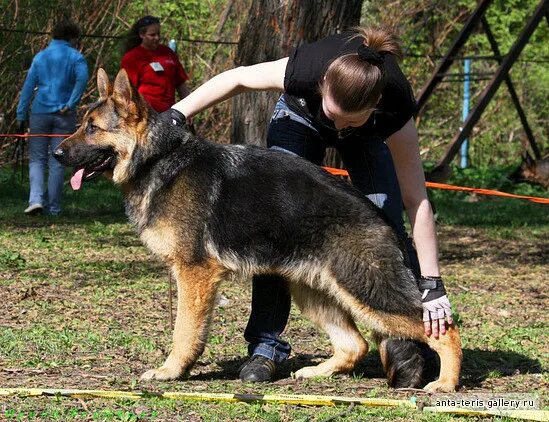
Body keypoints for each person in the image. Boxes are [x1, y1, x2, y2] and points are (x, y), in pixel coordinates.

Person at [164, 27, 455, 383]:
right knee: (271, 226)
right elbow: (237, 79)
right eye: (332, 113)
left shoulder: (395, 108)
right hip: (299, 119)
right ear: (322, 85)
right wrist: (177, 113)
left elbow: (417, 200)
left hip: (369, 136)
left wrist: (433, 282)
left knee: (383, 220)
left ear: (374, 106)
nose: (336, 128)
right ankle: (265, 346)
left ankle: (406, 341)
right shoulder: (307, 68)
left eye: (347, 119)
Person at [16, 19, 89, 216]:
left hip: (39, 113)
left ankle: (35, 200)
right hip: (63, 116)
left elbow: (28, 86)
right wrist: (71, 103)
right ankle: (54, 208)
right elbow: (82, 79)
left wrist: (21, 113)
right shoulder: (76, 57)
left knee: (37, 159)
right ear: (73, 37)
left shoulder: (41, 57)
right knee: (57, 160)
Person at [121, 16, 190, 113]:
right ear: (142, 35)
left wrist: (188, 108)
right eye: (152, 35)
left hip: (169, 112)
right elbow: (127, 91)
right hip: (146, 113)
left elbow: (181, 84)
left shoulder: (168, 53)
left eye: (158, 34)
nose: (157, 38)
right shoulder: (132, 57)